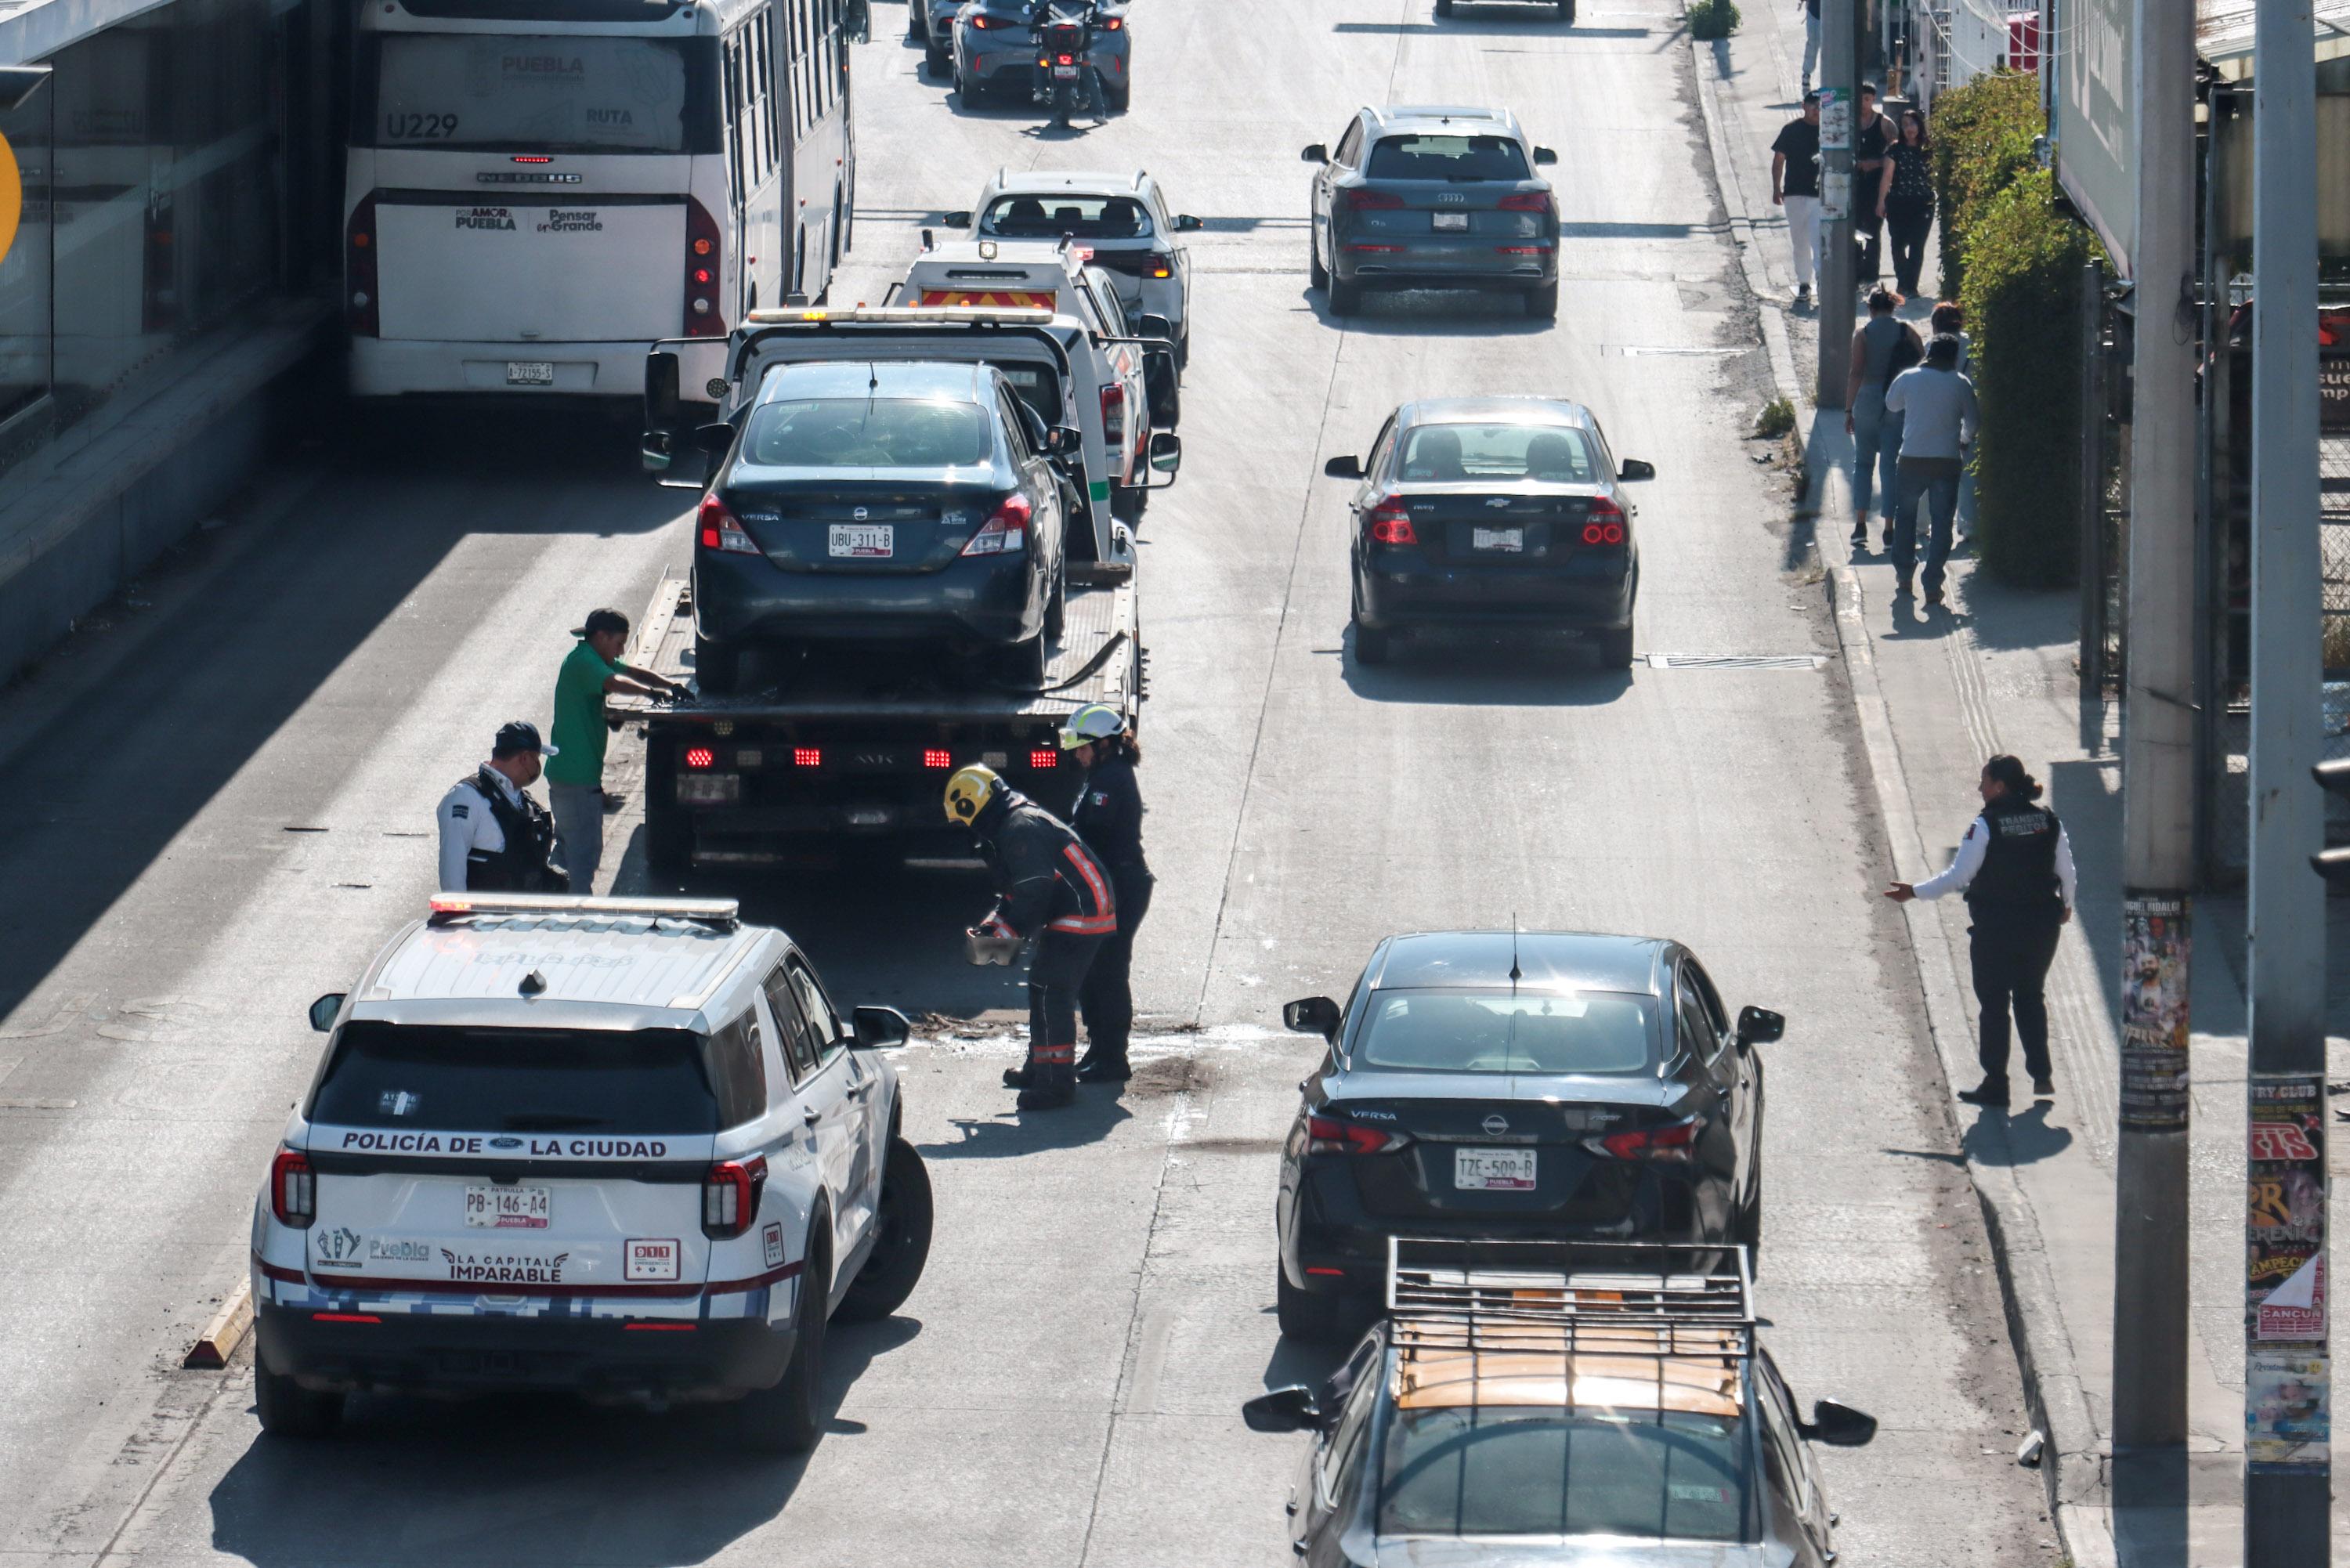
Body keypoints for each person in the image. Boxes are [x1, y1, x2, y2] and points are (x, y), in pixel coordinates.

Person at [1884, 755, 2076, 1108]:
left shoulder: (1985, 825)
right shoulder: (2048, 820)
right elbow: (2067, 870)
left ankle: (1996, 1083)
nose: (1979, 788)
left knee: (1994, 1003)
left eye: (1984, 781)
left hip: (1997, 927)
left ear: (1999, 787)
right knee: (2031, 995)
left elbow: (1959, 877)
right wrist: (2066, 906)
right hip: (2041, 926)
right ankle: (2041, 1074)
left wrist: (1914, 891)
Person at [946, 764, 1115, 1110]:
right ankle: (1042, 1069)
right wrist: (992, 927)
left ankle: (1055, 1085)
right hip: (1079, 905)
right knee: (1043, 988)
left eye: (963, 819)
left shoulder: (1018, 828)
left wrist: (1005, 937)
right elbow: (1015, 893)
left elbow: (1033, 893)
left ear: (972, 805)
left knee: (1051, 991)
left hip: (1082, 910)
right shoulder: (1012, 824)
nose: (966, 828)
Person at [544, 608, 686, 894]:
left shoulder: (591, 657)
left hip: (570, 775)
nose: (621, 650)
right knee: (584, 855)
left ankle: (548, 894)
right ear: (600, 636)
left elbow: (631, 672)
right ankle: (578, 913)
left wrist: (669, 685)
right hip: (576, 779)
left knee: (566, 848)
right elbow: (614, 683)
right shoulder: (586, 662)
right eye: (619, 642)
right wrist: (649, 694)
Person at [1061, 704, 1152, 1084]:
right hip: (1109, 885)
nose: (1077, 754)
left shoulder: (1111, 780)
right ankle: (1100, 1050)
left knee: (1110, 972)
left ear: (1104, 744)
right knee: (1095, 971)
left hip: (1122, 885)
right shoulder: (1101, 774)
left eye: (1083, 747)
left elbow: (1090, 835)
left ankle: (1114, 1057)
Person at [1884, 332, 1980, 603]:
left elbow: (1892, 405)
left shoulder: (1909, 378)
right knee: (1942, 524)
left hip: (1911, 459)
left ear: (1929, 353)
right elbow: (1973, 422)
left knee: (1905, 518)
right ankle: (1932, 583)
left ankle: (1904, 575)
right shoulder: (1961, 384)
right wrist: (1962, 439)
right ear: (1954, 357)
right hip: (1946, 461)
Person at [436, 721, 569, 893]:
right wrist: (459, 917)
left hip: (522, 916)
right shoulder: (465, 798)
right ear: (524, 758)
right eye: (536, 759)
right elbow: (452, 871)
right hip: (483, 918)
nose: (538, 766)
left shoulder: (522, 801)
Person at [1842, 289, 1923, 550]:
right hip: (1896, 401)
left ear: (1871, 309)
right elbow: (1922, 361)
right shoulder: (1907, 330)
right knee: (1890, 466)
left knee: (1864, 463)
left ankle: (1860, 526)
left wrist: (1848, 409)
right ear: (1893, 307)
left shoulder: (1862, 334)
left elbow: (1856, 373)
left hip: (1867, 400)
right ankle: (1889, 530)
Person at [1771, 93, 1824, 304]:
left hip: (1820, 197)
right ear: (1804, 106)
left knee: (1819, 242)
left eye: (1820, 106)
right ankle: (1804, 283)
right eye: (1812, 106)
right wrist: (1776, 188)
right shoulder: (1791, 130)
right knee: (1800, 242)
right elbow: (1779, 160)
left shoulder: (1830, 131)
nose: (1816, 110)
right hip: (1794, 194)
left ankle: (1822, 282)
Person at [1932, 300, 1978, 537]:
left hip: (1940, 415)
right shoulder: (1972, 343)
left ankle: (1928, 525)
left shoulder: (1932, 345)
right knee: (1968, 474)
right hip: (1968, 408)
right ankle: (1968, 525)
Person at [1881, 109, 1936, 298]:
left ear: (1920, 125)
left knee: (1917, 244)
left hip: (1924, 203)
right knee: (1897, 244)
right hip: (1898, 202)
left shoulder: (1930, 148)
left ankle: (1910, 286)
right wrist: (1880, 202)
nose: (1909, 129)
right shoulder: (1895, 150)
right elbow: (1887, 177)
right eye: (1904, 125)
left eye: (1912, 124)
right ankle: (1903, 280)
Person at [1851, 85, 1897, 290]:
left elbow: (1895, 154)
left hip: (1876, 183)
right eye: (1861, 99)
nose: (1864, 104)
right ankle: (1855, 273)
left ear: (1873, 99)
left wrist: (1876, 163)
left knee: (1872, 230)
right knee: (1852, 229)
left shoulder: (1884, 124)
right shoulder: (1850, 123)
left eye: (1868, 99)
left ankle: (1871, 275)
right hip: (1854, 184)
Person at [1796, 0, 1820, 89]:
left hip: (1835, 15)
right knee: (1812, 44)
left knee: (1831, 50)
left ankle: (1832, 77)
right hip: (1814, 12)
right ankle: (1806, 74)